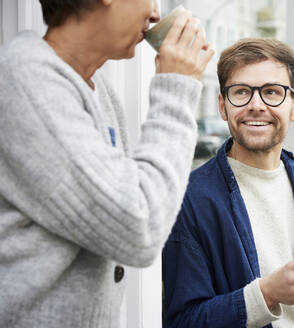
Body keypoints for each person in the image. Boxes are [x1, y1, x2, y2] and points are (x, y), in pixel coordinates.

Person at [0, 0, 214, 327]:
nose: (157, 13)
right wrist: (177, 89)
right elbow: (138, 227)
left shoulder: (99, 94)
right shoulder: (25, 81)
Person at [162, 38, 294, 328]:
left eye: (272, 92)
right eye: (241, 92)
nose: (256, 105)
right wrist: (268, 294)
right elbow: (184, 321)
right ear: (222, 106)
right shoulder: (189, 198)